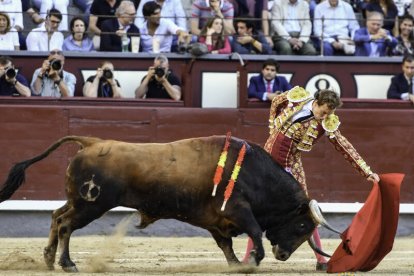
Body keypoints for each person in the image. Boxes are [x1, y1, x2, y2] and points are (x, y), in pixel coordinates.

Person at [243, 86, 380, 271]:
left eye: (328, 114)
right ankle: (248, 258)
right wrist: (271, 126)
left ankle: (321, 259)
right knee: (259, 208)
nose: (324, 117)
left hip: (291, 164)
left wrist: (367, 171)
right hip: (268, 161)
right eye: (323, 112)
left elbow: (344, 146)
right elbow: (276, 101)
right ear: (316, 102)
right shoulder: (298, 98)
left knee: (307, 212)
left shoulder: (327, 122)